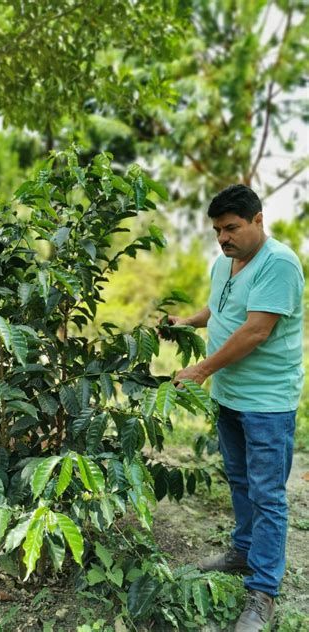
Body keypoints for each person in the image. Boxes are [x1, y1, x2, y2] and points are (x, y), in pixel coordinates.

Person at [168, 184, 305, 632]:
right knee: (241, 479)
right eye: (217, 230)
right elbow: (222, 307)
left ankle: (263, 589)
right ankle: (243, 550)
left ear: (258, 220)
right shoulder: (225, 263)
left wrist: (202, 369)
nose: (223, 238)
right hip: (231, 396)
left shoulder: (280, 264)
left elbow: (256, 331)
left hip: (266, 403)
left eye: (232, 228)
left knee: (267, 494)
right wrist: (188, 321)